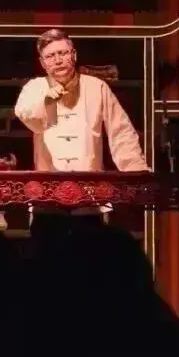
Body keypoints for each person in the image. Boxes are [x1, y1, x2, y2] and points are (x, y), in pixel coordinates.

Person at [14, 29, 149, 228]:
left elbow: (121, 133)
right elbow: (25, 115)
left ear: (74, 55)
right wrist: (46, 101)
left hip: (90, 194)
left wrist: (136, 174)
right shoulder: (34, 87)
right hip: (47, 195)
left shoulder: (97, 87)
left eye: (62, 53)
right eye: (50, 56)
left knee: (89, 244)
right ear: (42, 62)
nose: (58, 60)